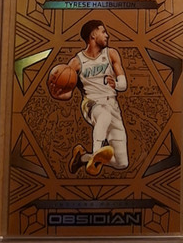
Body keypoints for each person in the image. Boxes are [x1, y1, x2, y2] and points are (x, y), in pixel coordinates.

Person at [48, 19, 129, 176]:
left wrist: (116, 85)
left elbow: (123, 84)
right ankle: (96, 153)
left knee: (122, 163)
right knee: (104, 115)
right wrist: (57, 94)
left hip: (113, 106)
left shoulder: (111, 54)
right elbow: (68, 93)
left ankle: (83, 158)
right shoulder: (76, 62)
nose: (107, 35)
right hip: (92, 104)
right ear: (93, 35)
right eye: (103, 32)